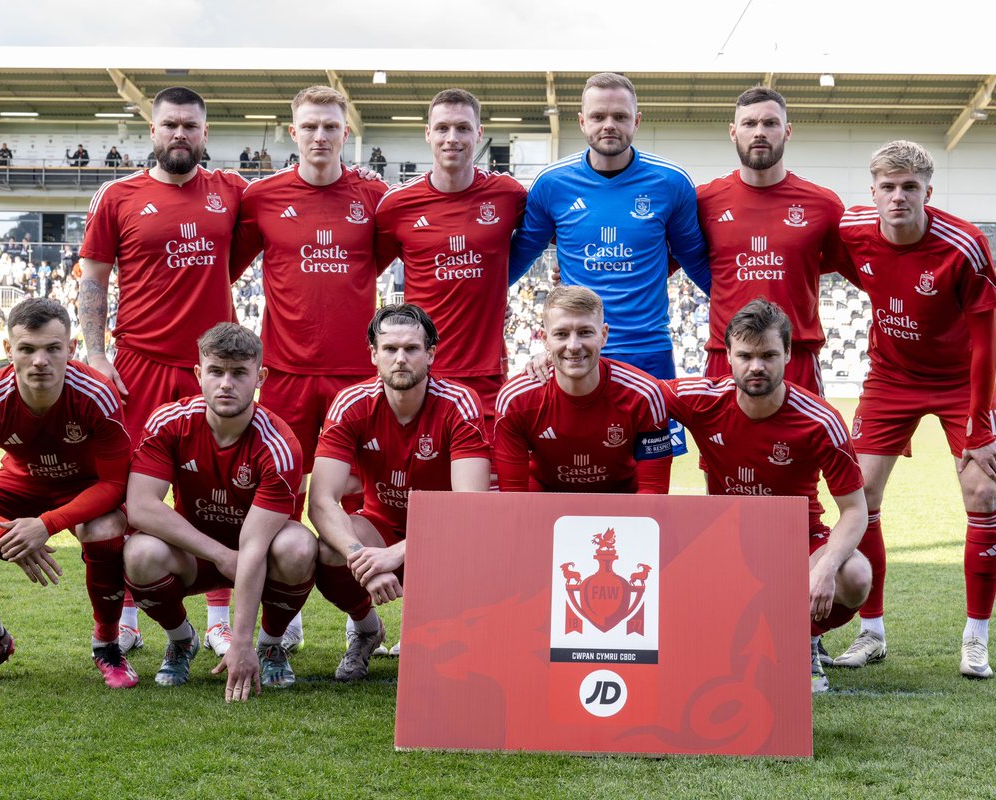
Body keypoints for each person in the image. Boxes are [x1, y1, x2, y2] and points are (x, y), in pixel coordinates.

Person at [79, 86, 247, 658]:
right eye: (170, 124)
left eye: (191, 126)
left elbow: (238, 257)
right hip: (140, 366)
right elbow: (95, 278)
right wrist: (96, 353)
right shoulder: (118, 195)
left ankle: (221, 617)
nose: (181, 134)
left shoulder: (232, 192)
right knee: (132, 494)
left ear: (205, 133)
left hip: (211, 370)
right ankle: (128, 614)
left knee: (220, 490)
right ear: (151, 131)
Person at [833, 140, 996, 679]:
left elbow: (986, 341)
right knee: (861, 494)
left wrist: (979, 425)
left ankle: (975, 637)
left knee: (982, 490)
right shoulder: (852, 231)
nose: (899, 196)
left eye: (910, 187)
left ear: (928, 192)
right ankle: (872, 631)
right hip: (891, 377)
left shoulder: (964, 245)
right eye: (889, 187)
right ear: (874, 192)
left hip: (960, 381)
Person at [232, 85, 391, 652]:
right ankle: (283, 615)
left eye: (331, 126)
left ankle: (361, 616)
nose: (320, 136)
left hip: (355, 377)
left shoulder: (375, 198)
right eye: (310, 126)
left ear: (346, 133)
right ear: (292, 132)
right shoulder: (262, 198)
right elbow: (219, 271)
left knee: (352, 499)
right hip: (285, 374)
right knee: (277, 496)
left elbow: (400, 258)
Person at [659, 299, 871, 693]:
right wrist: (552, 363)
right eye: (746, 355)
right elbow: (633, 390)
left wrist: (823, 570)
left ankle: (801, 641)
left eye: (769, 355)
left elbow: (855, 511)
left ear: (788, 354)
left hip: (799, 544)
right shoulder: (701, 399)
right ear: (728, 357)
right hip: (725, 542)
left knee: (855, 576)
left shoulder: (819, 420)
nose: (756, 366)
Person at [0, 297, 138, 688]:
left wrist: (46, 525)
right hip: (22, 481)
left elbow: (114, 484)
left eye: (52, 348)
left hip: (85, 486)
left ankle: (107, 644)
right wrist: (3, 531)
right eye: (27, 349)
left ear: (71, 349)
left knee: (105, 531)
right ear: (9, 351)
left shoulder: (97, 393)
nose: (40, 360)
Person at [508, 72, 710, 453]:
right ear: (582, 121)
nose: (609, 125)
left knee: (651, 478)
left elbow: (695, 260)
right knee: (573, 469)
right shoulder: (552, 183)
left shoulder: (670, 182)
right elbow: (517, 257)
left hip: (648, 353)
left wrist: (749, 307)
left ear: (637, 119)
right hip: (577, 352)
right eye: (599, 116)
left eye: (619, 116)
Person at [123, 323, 316, 697]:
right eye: (216, 371)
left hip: (260, 556)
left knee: (299, 547)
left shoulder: (279, 444)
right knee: (139, 552)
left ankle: (271, 643)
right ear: (199, 375)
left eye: (239, 373)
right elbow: (141, 507)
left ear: (259, 377)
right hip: (195, 554)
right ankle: (182, 640)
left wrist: (241, 642)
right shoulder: (170, 423)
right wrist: (219, 554)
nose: (226, 383)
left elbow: (256, 546)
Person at [308, 304, 490, 678]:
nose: (401, 359)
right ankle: (366, 629)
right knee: (326, 549)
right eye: (390, 349)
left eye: (412, 349)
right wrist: (363, 558)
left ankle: (446, 628)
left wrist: (395, 555)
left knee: (447, 664)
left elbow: (471, 508)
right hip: (379, 529)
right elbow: (321, 500)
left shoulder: (459, 402)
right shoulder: (351, 403)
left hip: (447, 538)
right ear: (374, 355)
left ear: (431, 354)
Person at [375, 88, 526, 432]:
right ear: (428, 133)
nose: (451, 138)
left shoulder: (508, 194)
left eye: (462, 128)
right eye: (442, 128)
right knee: (415, 482)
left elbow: (560, 233)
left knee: (484, 484)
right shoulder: (396, 205)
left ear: (479, 133)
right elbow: (362, 269)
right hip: (418, 372)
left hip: (486, 373)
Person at [697, 86, 850, 394]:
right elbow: (664, 261)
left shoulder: (822, 204)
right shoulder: (703, 201)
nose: (759, 132)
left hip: (796, 358)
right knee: (722, 443)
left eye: (770, 123)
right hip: (725, 358)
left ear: (787, 131)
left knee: (809, 443)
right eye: (749, 123)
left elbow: (854, 267)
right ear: (733, 131)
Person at [494, 285, 671, 493]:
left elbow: (653, 494)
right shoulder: (515, 400)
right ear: (545, 339)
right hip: (544, 504)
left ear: (604, 335)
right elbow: (514, 497)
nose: (574, 345)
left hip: (622, 508)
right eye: (561, 334)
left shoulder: (644, 395)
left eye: (585, 332)